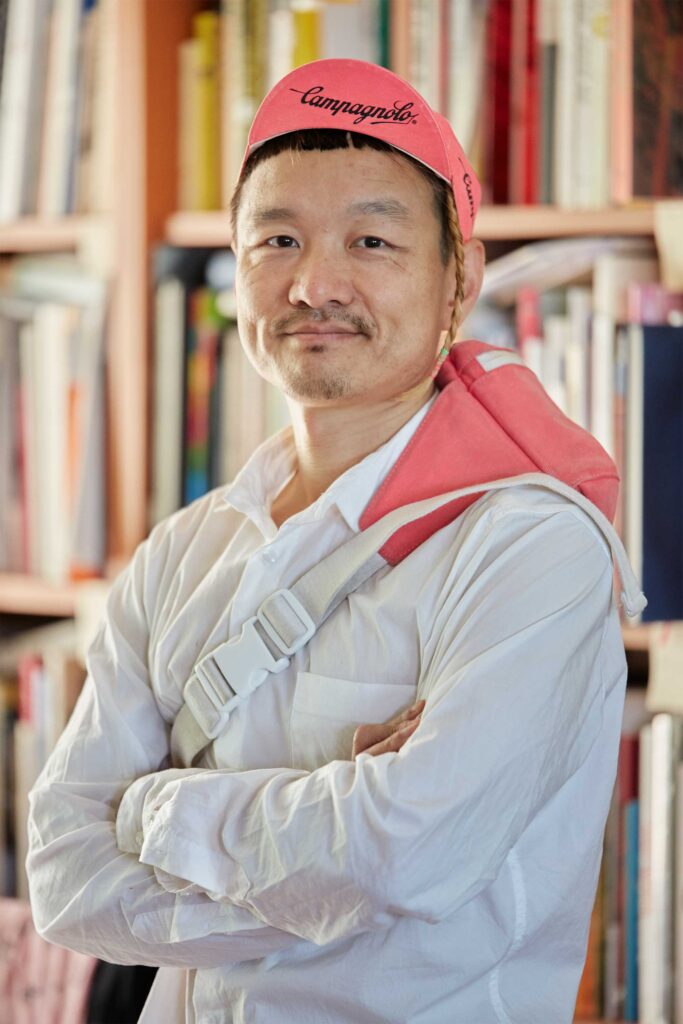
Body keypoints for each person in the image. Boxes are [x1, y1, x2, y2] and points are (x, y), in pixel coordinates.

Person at [27, 59, 634, 1023]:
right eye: (277, 239)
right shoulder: (182, 552)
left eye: (372, 239)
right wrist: (331, 853)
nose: (316, 283)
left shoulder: (530, 549)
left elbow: (409, 855)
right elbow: (62, 877)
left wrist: (154, 813)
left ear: (459, 278)